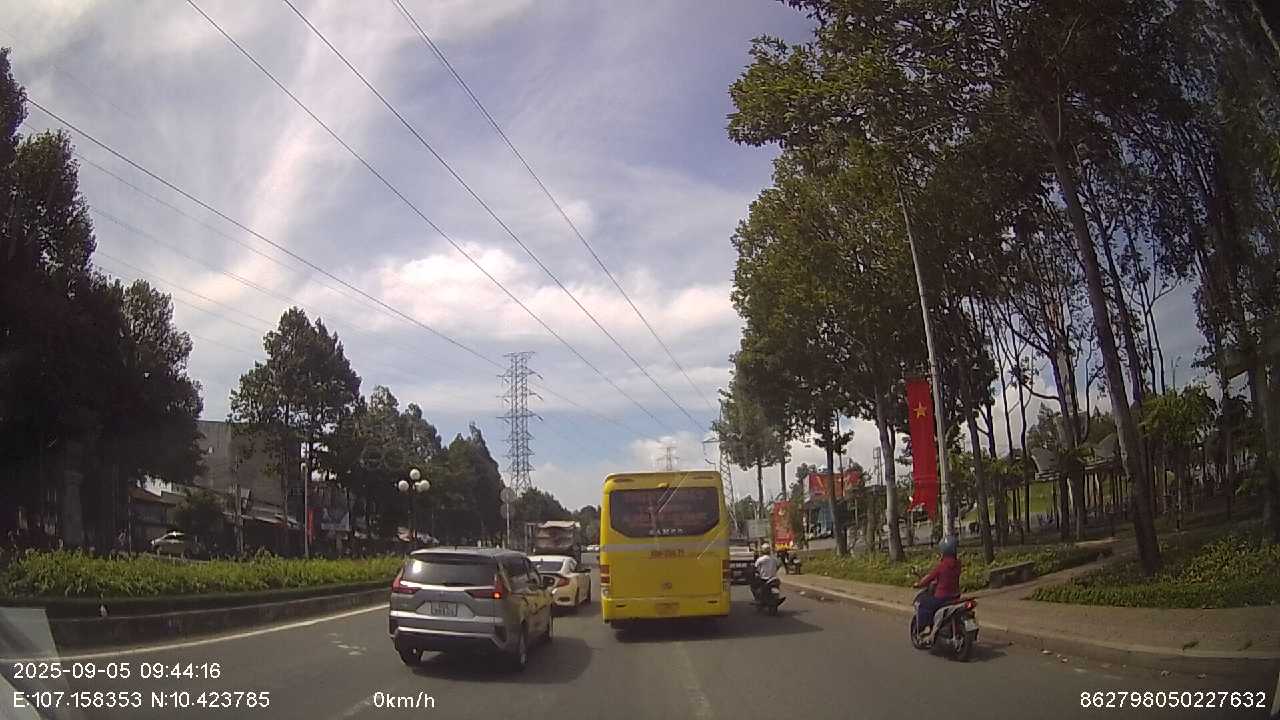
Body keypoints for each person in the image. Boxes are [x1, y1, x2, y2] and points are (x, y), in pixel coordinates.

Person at [913, 536, 961, 638]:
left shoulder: (941, 566)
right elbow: (947, 577)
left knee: (922, 602)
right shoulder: (958, 564)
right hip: (956, 596)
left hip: (942, 598)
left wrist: (918, 584)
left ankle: (925, 627)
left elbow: (929, 578)